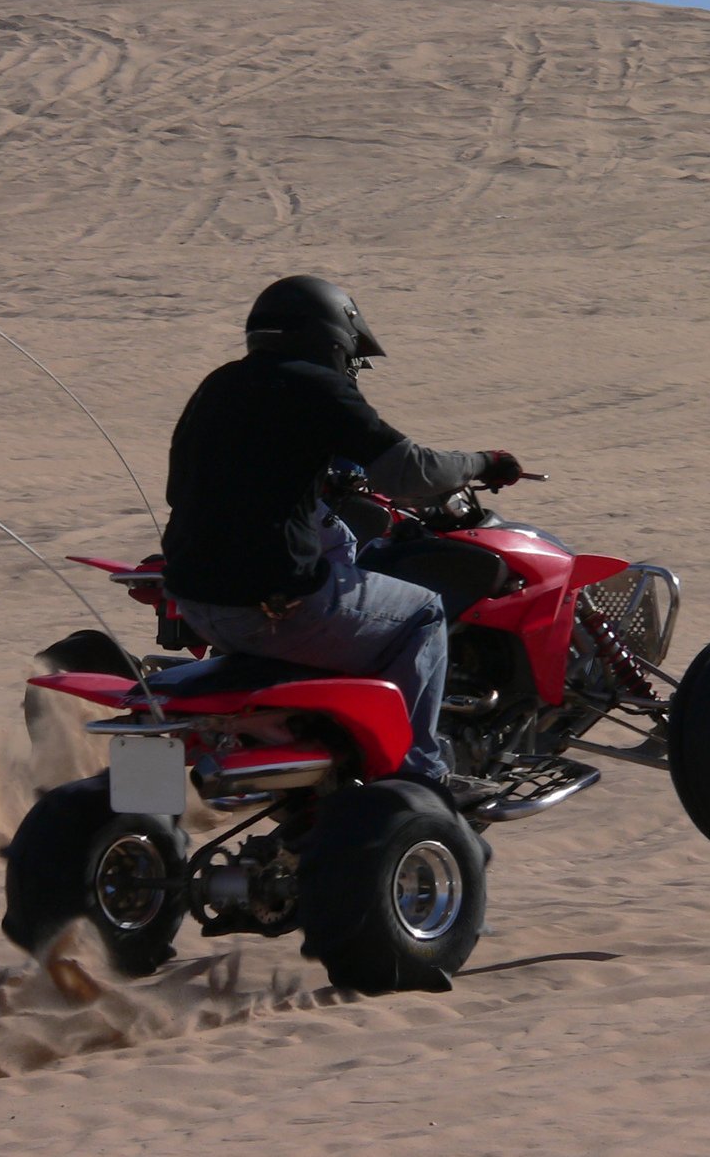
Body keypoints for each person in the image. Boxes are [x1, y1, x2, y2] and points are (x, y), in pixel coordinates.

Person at [161, 275, 522, 782]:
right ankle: (417, 774)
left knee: (337, 543)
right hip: (274, 606)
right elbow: (408, 472)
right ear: (333, 337)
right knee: (422, 613)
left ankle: (338, 729)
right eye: (352, 354)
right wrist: (484, 462)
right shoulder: (317, 387)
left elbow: (221, 474)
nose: (351, 367)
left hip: (198, 600)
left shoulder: (221, 383)